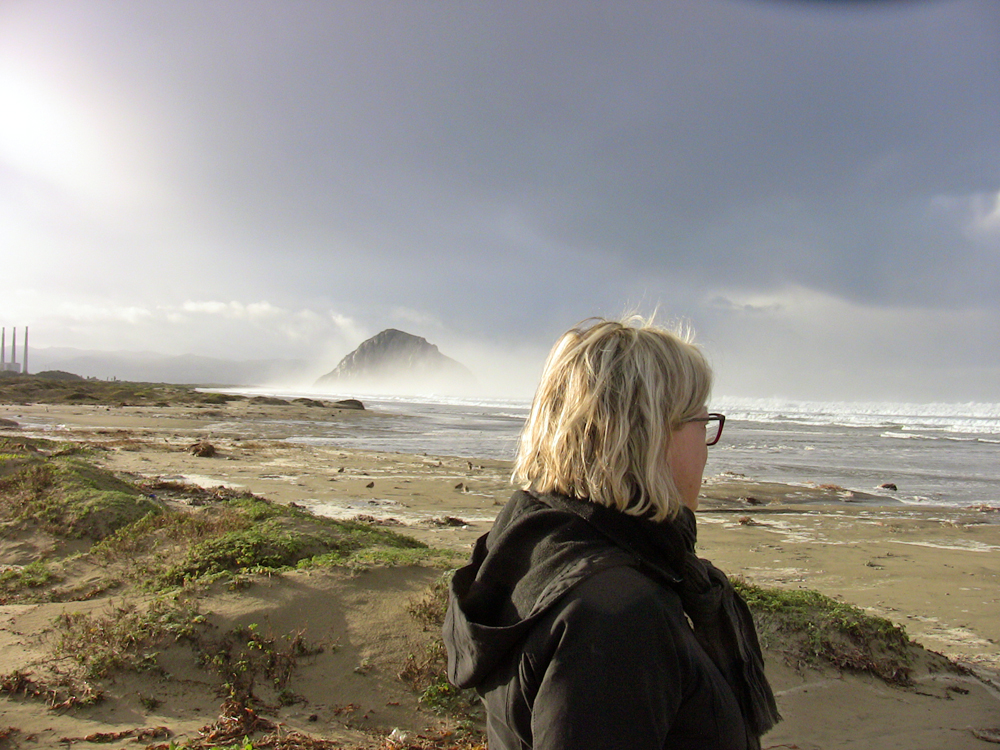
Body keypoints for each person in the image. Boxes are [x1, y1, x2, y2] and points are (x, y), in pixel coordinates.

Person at [443, 317, 779, 750]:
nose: (707, 447)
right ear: (650, 435)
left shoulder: (540, 545)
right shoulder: (616, 616)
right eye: (701, 421)